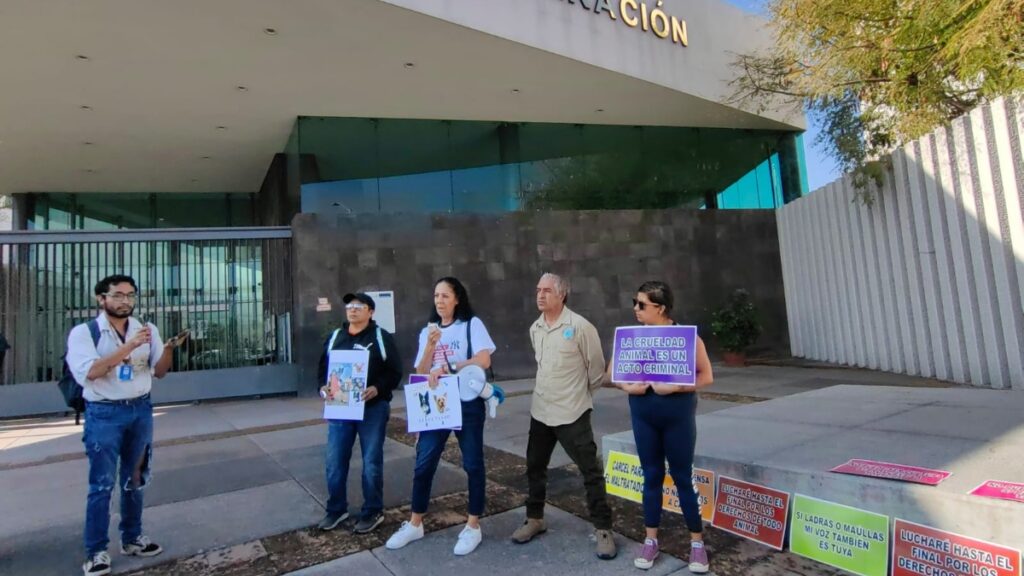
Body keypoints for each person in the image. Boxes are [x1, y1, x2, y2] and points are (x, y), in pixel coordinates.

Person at [67, 275, 181, 576]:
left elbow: (160, 371)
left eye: (130, 295)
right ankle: (96, 551)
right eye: (118, 295)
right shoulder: (85, 333)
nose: (125, 301)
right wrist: (130, 346)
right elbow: (91, 372)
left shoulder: (146, 329)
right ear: (101, 298)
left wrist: (169, 349)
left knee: (135, 479)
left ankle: (132, 538)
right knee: (101, 484)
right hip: (104, 413)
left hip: (140, 410)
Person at [385, 277, 496, 556]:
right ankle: (415, 523)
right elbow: (421, 371)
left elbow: (484, 359)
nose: (439, 301)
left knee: (473, 463)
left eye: (445, 295)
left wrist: (450, 366)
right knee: (424, 462)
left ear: (457, 299)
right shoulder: (428, 331)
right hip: (437, 404)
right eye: (436, 296)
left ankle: (473, 525)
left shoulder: (471, 325)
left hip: (467, 402)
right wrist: (430, 347)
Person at [609, 281, 714, 573]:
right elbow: (612, 373)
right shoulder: (632, 338)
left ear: (661, 308)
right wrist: (627, 386)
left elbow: (706, 376)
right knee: (651, 475)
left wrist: (677, 386)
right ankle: (651, 539)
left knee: (682, 477)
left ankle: (697, 543)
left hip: (677, 417)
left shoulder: (686, 338)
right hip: (644, 415)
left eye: (642, 304)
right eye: (634, 302)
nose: (636, 308)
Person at [512, 273, 617, 559]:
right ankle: (535, 518)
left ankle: (603, 528)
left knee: (590, 471)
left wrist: (578, 396)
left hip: (573, 412)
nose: (540, 295)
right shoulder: (535, 328)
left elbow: (596, 372)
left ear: (562, 294)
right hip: (541, 410)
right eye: (538, 290)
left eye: (547, 290)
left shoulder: (581, 327)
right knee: (535, 466)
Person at [316, 292, 403, 534]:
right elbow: (323, 369)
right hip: (340, 408)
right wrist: (323, 388)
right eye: (350, 306)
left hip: (372, 409)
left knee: (371, 462)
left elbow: (395, 371)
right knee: (334, 461)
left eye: (359, 306)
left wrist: (377, 388)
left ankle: (372, 510)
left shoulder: (380, 337)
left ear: (370, 312)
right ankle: (336, 509)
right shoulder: (336, 337)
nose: (353, 309)